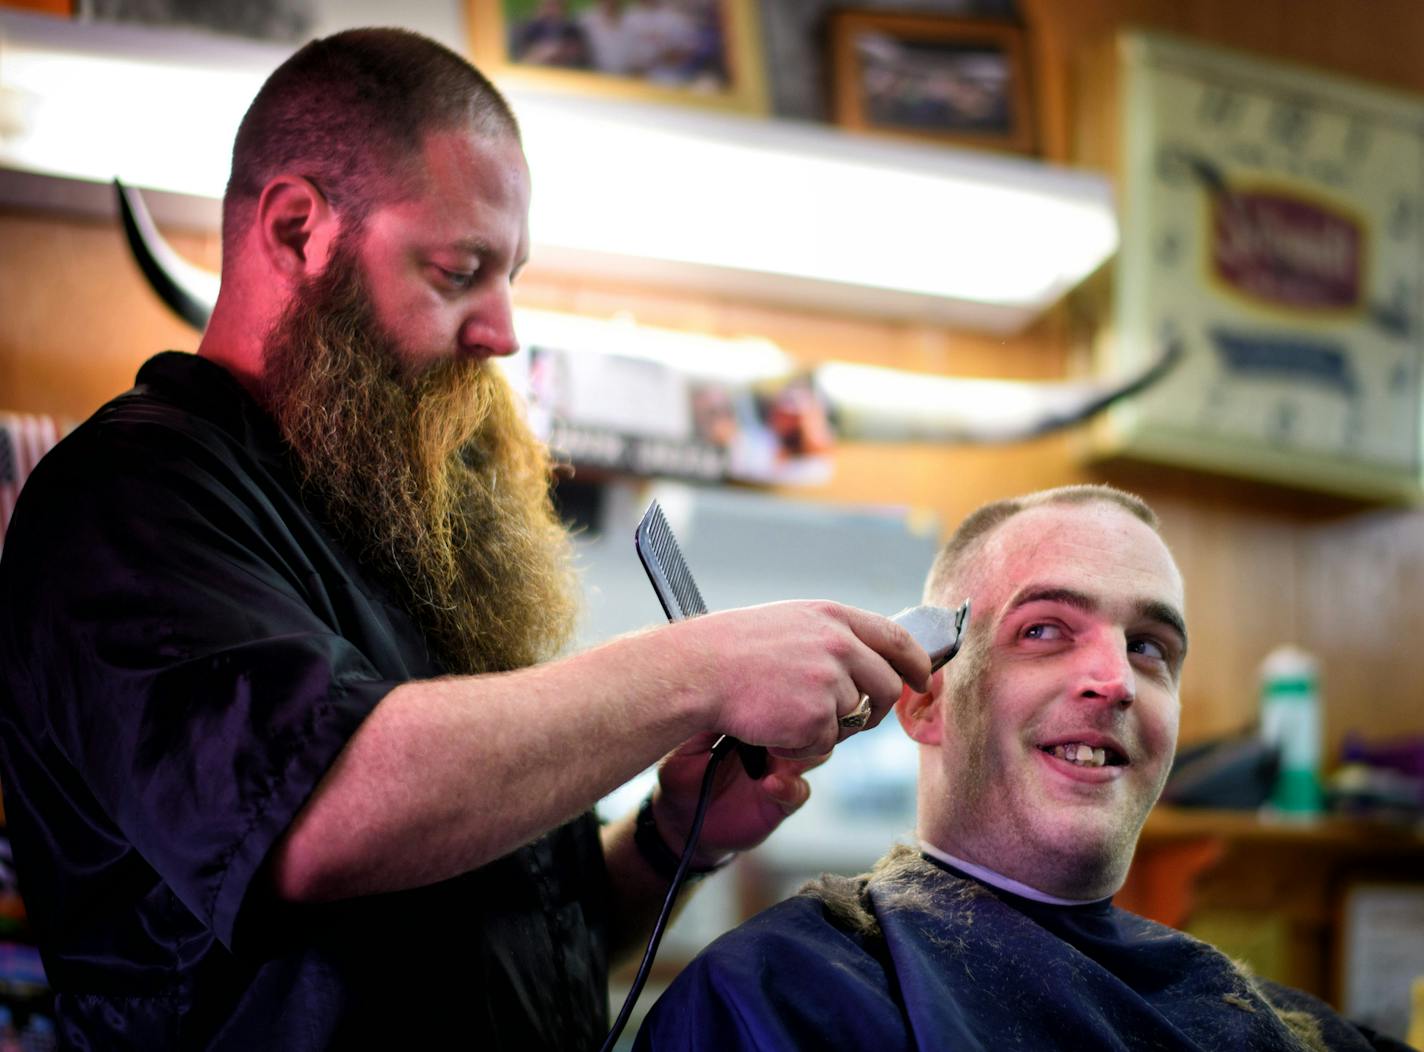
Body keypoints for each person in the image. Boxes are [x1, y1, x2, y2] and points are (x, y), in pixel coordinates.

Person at [0, 29, 932, 1051]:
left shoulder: (394, 509)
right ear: (298, 228)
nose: (501, 330)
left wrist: (669, 842)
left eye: (509, 275)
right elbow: (313, 819)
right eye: (459, 270)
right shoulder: (129, 498)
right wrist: (696, 668)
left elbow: (512, 942)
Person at [635, 485, 1413, 1052]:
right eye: (1045, 629)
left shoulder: (1292, 1031)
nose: (1115, 680)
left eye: (1150, 646)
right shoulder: (775, 1000)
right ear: (923, 701)